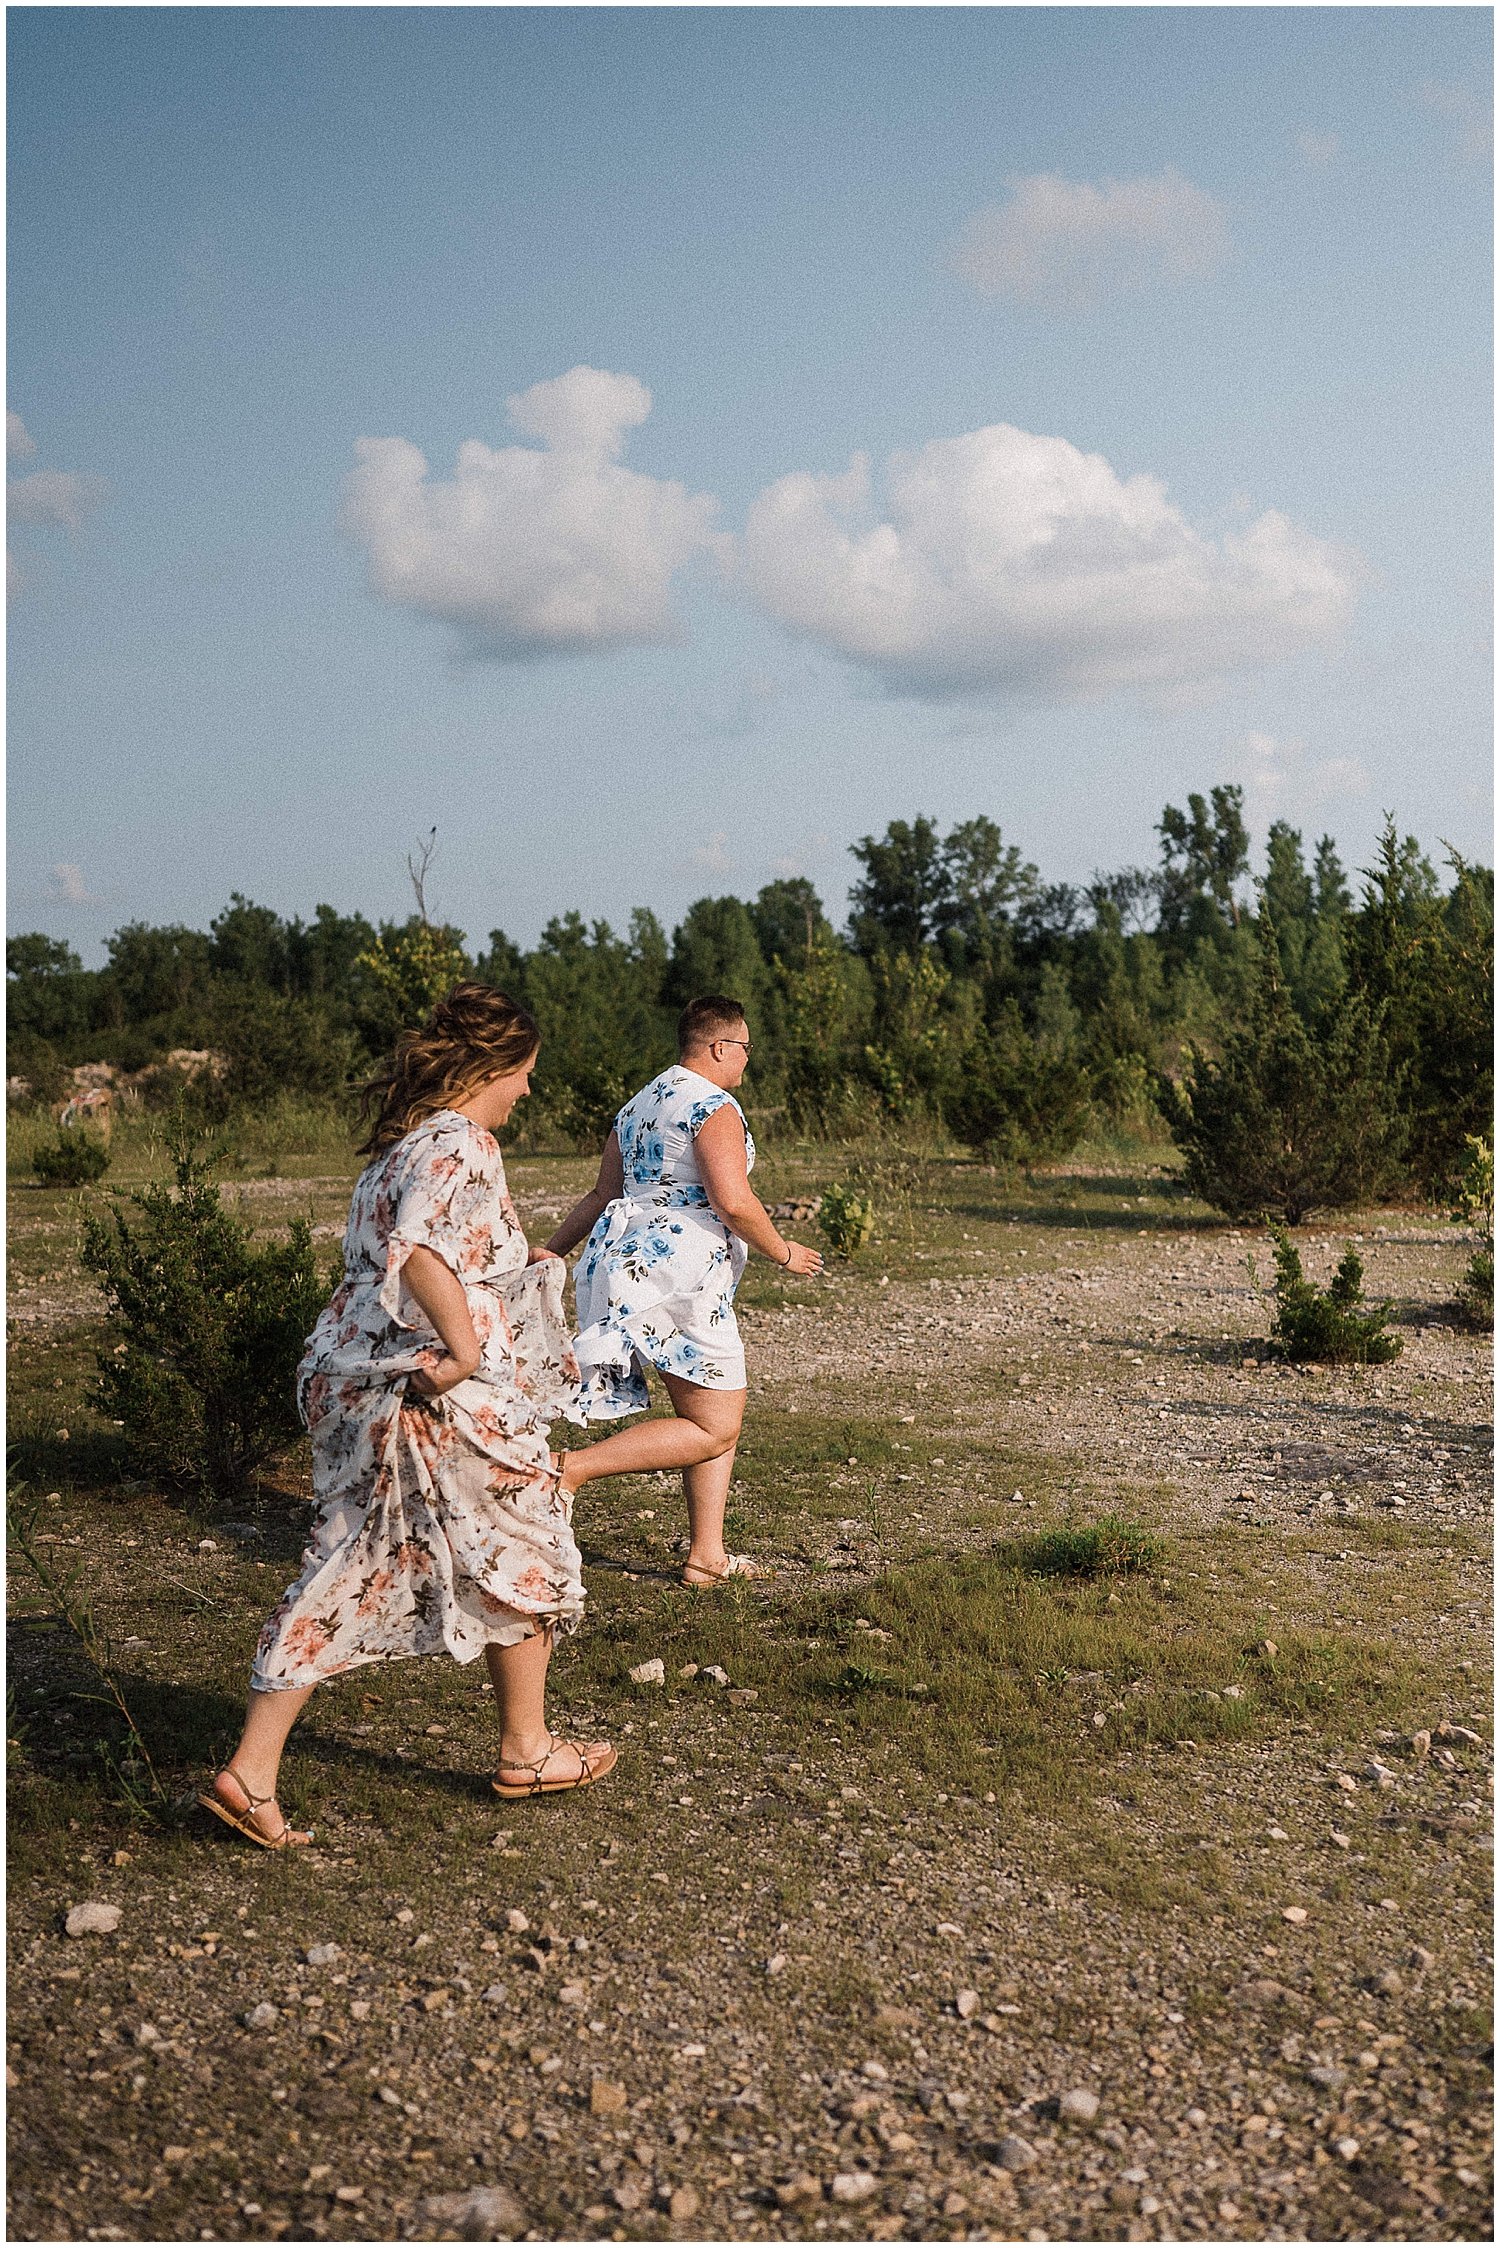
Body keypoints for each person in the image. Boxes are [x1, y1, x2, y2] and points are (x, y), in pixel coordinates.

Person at [200, 985, 614, 1851]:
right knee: (525, 1532)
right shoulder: (462, 1140)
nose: (529, 1092)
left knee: (352, 1555)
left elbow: (424, 1247)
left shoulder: (396, 1149)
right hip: (426, 1384)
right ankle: (528, 1749)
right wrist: (463, 1350)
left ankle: (252, 1772)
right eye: (527, 1074)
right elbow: (420, 1247)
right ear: (493, 1067)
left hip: (355, 1374)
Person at [543, 995, 822, 1586]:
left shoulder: (641, 1102)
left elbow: (601, 1196)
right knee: (716, 1422)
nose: (747, 1061)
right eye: (745, 1049)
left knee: (710, 1409)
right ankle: (566, 1470)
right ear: (720, 1047)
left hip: (628, 1267)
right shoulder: (711, 1104)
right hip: (680, 1273)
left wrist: (554, 1249)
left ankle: (707, 1557)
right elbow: (733, 1199)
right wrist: (785, 1251)